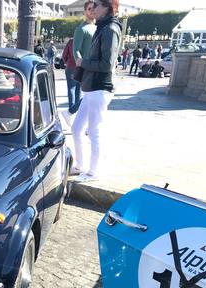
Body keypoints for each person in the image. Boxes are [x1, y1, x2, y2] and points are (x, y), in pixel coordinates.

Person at [71, 0, 122, 182]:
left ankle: (94, 172)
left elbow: (107, 64)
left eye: (97, 6)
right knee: (77, 129)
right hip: (92, 86)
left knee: (94, 131)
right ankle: (80, 165)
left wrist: (82, 63)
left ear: (107, 8)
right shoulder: (103, 27)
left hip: (100, 87)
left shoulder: (109, 29)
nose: (93, 9)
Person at [63, 0, 95, 126]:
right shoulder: (81, 29)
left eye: (94, 8)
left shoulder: (96, 27)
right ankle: (72, 114)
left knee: (81, 93)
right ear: (85, 11)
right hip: (81, 67)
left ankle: (73, 115)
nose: (92, 11)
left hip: (91, 66)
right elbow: (76, 50)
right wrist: (81, 65)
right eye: (89, 9)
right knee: (84, 94)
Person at [62, 38, 80, 117]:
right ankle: (76, 109)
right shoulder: (84, 41)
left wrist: (67, 62)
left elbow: (64, 55)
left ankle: (71, 110)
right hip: (81, 68)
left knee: (71, 88)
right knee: (79, 89)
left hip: (71, 67)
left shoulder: (71, 41)